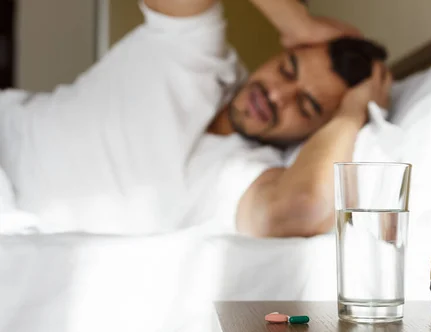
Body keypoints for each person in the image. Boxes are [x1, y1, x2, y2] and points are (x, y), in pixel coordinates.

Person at [0, 0, 392, 237]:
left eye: (304, 106)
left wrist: (351, 114)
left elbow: (302, 207)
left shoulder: (243, 175)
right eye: (287, 69)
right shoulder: (198, 52)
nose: (274, 95)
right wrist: (296, 22)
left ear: (316, 132)